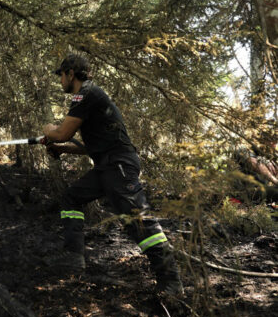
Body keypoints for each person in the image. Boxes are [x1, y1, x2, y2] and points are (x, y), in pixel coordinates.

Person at [40, 54, 183, 297]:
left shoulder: (85, 94)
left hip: (118, 166)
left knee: (139, 220)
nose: (60, 80)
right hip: (107, 165)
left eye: (61, 75)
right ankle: (74, 257)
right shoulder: (87, 96)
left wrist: (49, 130)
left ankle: (171, 281)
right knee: (72, 198)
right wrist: (62, 149)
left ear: (71, 74)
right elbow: (92, 145)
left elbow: (63, 132)